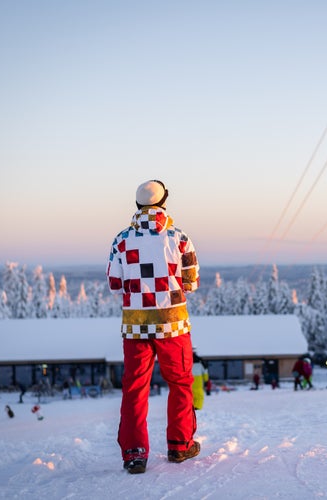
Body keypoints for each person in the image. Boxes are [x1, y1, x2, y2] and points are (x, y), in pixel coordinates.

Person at [107, 179, 201, 474]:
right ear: (164, 202)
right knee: (180, 383)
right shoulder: (179, 237)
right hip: (172, 325)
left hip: (135, 327)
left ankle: (135, 454)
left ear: (137, 205)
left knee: (134, 388)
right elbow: (192, 283)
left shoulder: (121, 240)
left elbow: (115, 284)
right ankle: (179, 445)